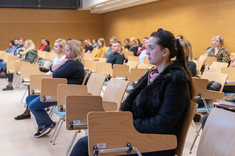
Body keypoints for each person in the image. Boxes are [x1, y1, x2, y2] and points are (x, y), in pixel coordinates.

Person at [70, 28, 194, 156]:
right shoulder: (153, 73)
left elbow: (162, 125)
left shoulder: (176, 81)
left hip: (156, 144)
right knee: (88, 142)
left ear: (165, 52)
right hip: (138, 134)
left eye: (151, 48)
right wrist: (122, 124)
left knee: (85, 145)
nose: (147, 51)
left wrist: (128, 124)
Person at [17, 40, 85, 138]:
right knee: (29, 99)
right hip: (59, 90)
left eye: (67, 50)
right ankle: (44, 124)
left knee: (32, 105)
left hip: (65, 93)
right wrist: (63, 61)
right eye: (65, 50)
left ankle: (46, 124)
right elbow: (52, 70)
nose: (65, 53)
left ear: (74, 51)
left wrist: (61, 63)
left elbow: (55, 75)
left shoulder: (73, 64)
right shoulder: (70, 62)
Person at [14, 39, 66, 119]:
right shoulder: (57, 58)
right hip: (49, 80)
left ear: (62, 48)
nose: (53, 48)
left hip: (53, 84)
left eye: (56, 46)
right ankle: (28, 110)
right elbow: (50, 71)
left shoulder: (63, 59)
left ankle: (29, 111)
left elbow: (54, 73)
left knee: (32, 85)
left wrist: (43, 76)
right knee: (31, 87)